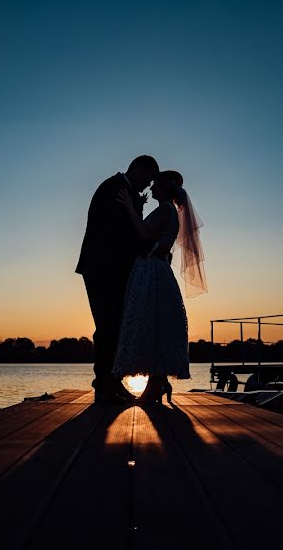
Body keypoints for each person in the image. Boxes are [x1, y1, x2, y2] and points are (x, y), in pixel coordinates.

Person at [112, 170, 207, 404]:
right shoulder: (167, 210)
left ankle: (156, 384)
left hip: (151, 270)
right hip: (155, 269)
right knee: (155, 323)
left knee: (149, 321)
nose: (151, 188)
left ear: (165, 188)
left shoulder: (166, 209)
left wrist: (128, 207)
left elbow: (144, 233)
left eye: (155, 185)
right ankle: (158, 382)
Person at [76, 155, 160, 403]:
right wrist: (148, 246)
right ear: (138, 170)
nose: (148, 186)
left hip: (113, 269)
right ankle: (105, 385)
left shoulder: (122, 189)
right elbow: (119, 232)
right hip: (103, 268)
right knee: (107, 326)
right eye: (149, 179)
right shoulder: (113, 188)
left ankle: (110, 381)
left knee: (114, 325)